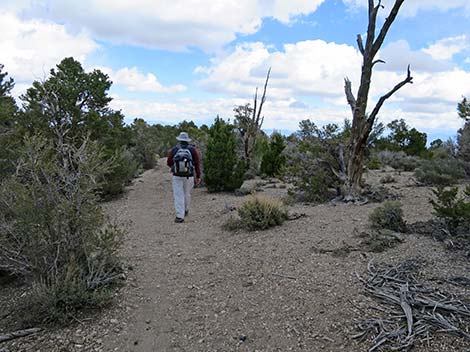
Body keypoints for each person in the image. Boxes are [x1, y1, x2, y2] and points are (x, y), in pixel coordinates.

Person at [167, 132, 201, 223]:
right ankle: (185, 209)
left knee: (178, 195)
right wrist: (198, 176)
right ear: (187, 140)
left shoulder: (174, 149)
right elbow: (197, 163)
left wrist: (175, 167)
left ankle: (179, 216)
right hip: (189, 176)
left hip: (177, 176)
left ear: (179, 140)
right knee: (187, 193)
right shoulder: (193, 150)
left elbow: (169, 162)